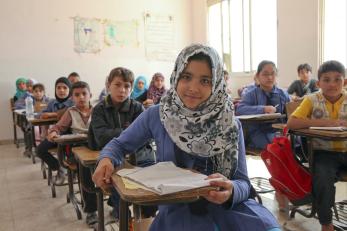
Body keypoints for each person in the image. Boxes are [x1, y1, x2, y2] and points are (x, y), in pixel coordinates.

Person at [92, 44, 280, 231]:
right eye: (186, 77)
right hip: (179, 216)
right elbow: (118, 145)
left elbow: (243, 183)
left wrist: (231, 190)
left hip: (231, 213)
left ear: (216, 83)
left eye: (205, 80)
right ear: (176, 76)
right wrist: (106, 159)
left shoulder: (229, 124)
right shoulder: (158, 115)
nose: (193, 88)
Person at [287, 60, 347, 231]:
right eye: (326, 80)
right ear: (318, 83)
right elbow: (292, 123)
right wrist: (329, 123)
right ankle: (326, 223)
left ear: (345, 81)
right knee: (322, 179)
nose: (332, 84)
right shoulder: (311, 100)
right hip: (324, 152)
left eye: (337, 79)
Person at [86, 67, 145, 226]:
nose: (122, 90)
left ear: (131, 88)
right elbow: (101, 138)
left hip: (135, 156)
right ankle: (123, 218)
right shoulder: (99, 109)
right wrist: (129, 132)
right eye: (117, 85)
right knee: (115, 181)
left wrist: (125, 135)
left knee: (148, 189)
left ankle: (143, 219)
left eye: (126, 86)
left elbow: (143, 136)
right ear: (108, 85)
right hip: (108, 155)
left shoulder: (137, 108)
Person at [37, 81, 92, 185]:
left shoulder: (97, 111)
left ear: (90, 95)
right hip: (77, 146)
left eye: (84, 94)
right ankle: (62, 169)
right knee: (83, 171)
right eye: (77, 95)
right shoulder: (71, 111)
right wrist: (53, 132)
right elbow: (59, 126)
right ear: (72, 98)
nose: (81, 97)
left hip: (93, 145)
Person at [236, 60, 290, 149]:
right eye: (265, 74)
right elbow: (240, 109)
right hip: (258, 133)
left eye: (272, 74)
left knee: (298, 141)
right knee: (276, 146)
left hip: (280, 131)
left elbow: (291, 114)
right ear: (258, 76)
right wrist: (263, 109)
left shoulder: (283, 94)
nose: (269, 77)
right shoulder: (251, 94)